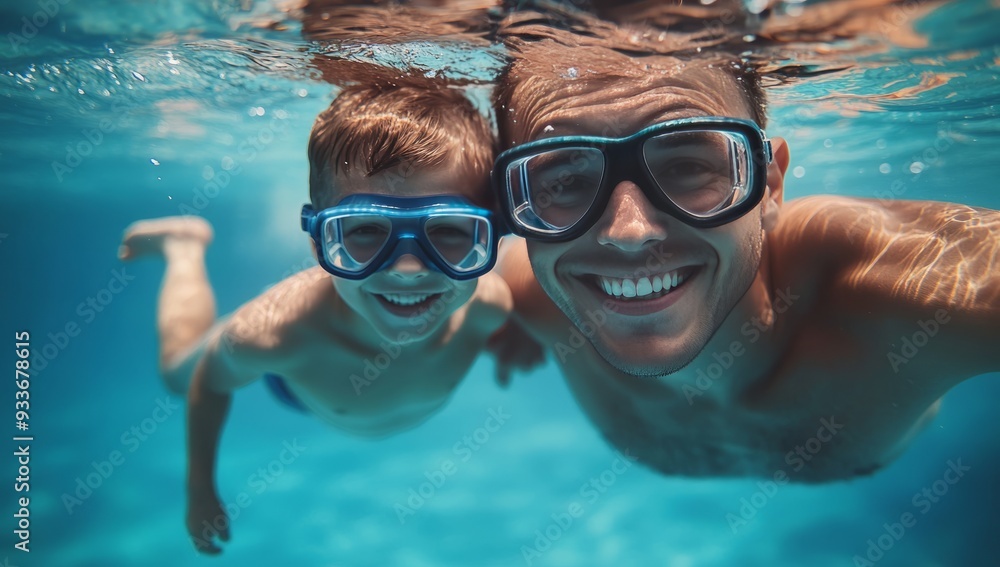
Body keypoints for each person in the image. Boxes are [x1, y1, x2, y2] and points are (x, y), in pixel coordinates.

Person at [492, 34, 999, 483]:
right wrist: (501, 314)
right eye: (567, 181)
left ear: (770, 187)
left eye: (688, 166)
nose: (628, 233)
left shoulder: (898, 282)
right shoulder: (522, 295)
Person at [119, 76, 523, 554]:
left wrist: (520, 336)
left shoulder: (492, 308)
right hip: (299, 378)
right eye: (366, 231)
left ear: (492, 240)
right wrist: (200, 488)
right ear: (318, 243)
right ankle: (183, 247)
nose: (409, 269)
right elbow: (208, 380)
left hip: (330, 388)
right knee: (176, 374)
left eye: (451, 232)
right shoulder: (272, 335)